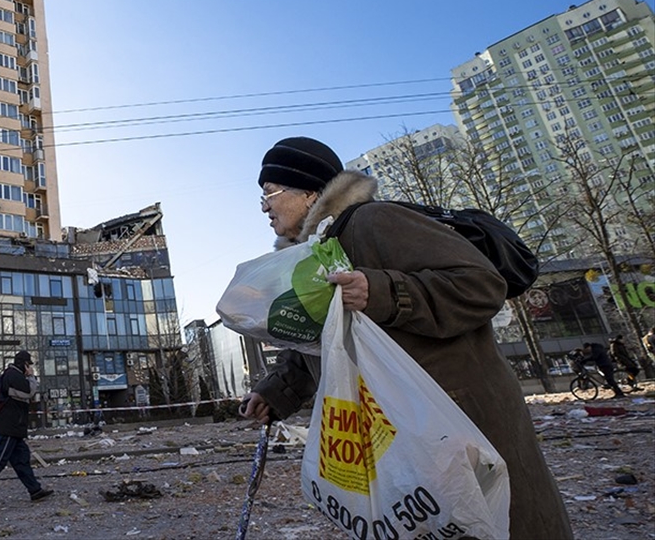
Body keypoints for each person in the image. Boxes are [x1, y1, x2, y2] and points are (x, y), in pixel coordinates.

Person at [238, 136, 572, 539]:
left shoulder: (375, 221)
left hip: (462, 419)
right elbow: (323, 341)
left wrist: (380, 292)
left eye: (269, 193)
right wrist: (276, 392)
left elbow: (481, 284)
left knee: (503, 523)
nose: (263, 206)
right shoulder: (311, 259)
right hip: (404, 432)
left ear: (309, 192)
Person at [0, 351, 53, 508]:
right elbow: (29, 392)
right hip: (9, 426)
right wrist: (31, 376)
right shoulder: (14, 375)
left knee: (21, 458)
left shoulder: (10, 375)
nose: (30, 368)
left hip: (12, 426)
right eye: (29, 365)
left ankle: (35, 490)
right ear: (24, 364)